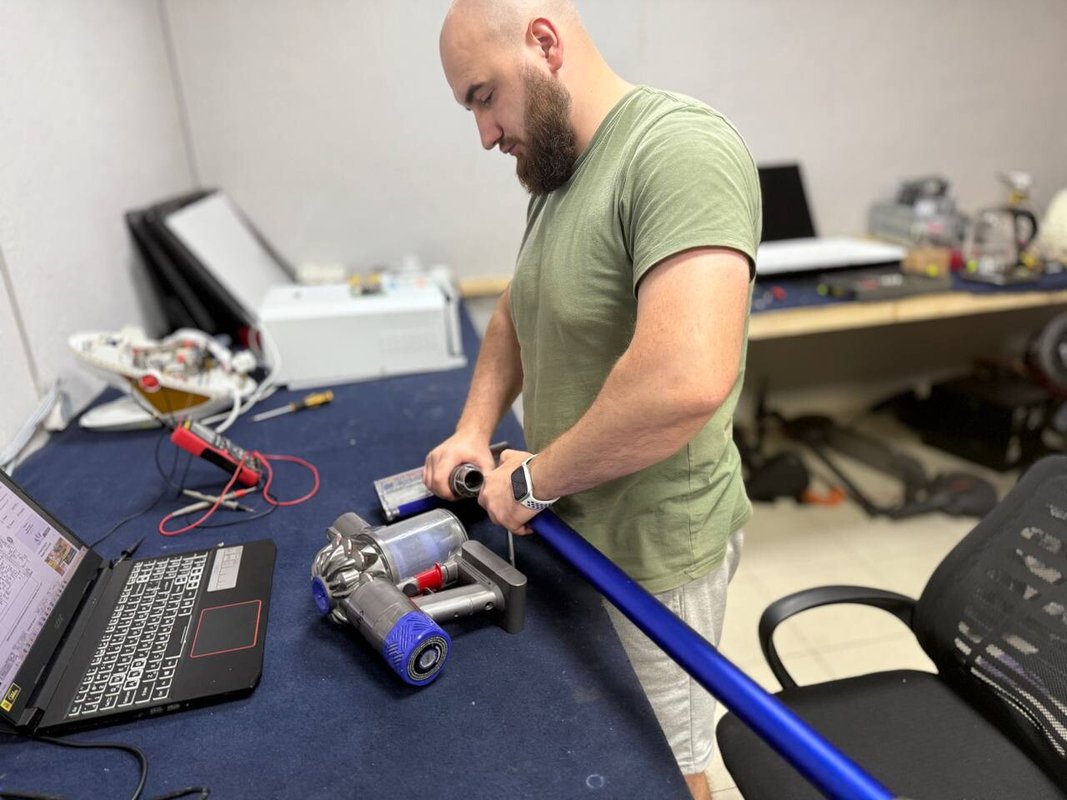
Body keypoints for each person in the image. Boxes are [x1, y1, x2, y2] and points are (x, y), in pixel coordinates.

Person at [427, 2, 761, 797]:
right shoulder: (559, 170)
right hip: (567, 526)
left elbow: (683, 381)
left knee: (665, 773)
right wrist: (474, 429)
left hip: (649, 554)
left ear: (544, 43)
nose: (484, 133)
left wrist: (534, 479)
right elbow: (517, 308)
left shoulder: (678, 149)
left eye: (483, 96)